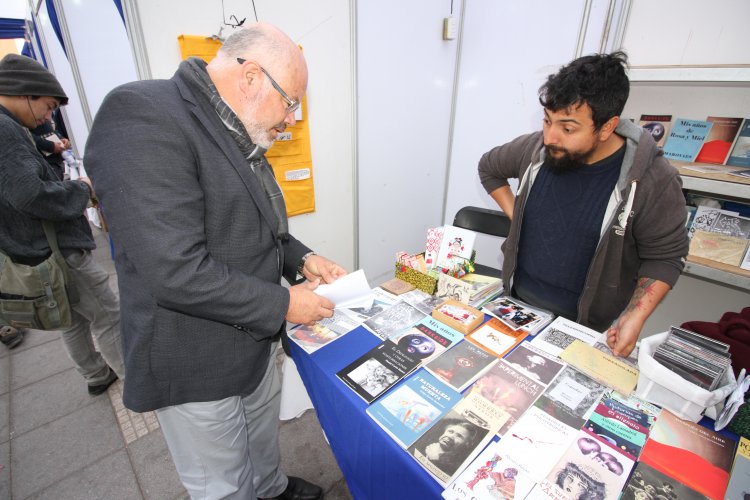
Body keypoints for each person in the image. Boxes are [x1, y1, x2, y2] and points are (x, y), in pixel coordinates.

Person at [84, 23, 346, 500]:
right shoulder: (142, 114)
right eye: (290, 102)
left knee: (262, 447)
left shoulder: (237, 125)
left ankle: (272, 489)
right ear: (250, 77)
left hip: (255, 340)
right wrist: (286, 304)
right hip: (196, 357)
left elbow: (252, 226)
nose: (292, 118)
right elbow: (175, 269)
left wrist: (303, 259)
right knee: (222, 484)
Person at [478, 51, 689, 357]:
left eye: (568, 128)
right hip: (516, 308)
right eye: (547, 121)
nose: (550, 137)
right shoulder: (535, 149)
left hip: (586, 329)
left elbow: (666, 257)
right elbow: (489, 168)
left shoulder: (652, 180)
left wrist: (635, 315)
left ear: (607, 127)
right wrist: (518, 217)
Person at [0, 54, 123, 395]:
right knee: (109, 315)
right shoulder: (5, 130)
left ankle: (96, 374)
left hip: (34, 250)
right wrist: (81, 190)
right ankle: (138, 384)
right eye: (48, 106)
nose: (47, 116)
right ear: (25, 92)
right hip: (56, 249)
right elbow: (30, 193)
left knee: (71, 317)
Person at [411, 418, 483, 476]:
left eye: (459, 436)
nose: (450, 436)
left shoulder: (456, 467)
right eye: (450, 431)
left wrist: (434, 458)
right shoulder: (421, 444)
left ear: (467, 444)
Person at [32, 115, 70, 180]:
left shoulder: (42, 112)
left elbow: (52, 130)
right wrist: (51, 146)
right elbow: (28, 135)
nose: (48, 117)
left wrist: (61, 139)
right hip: (45, 163)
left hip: (57, 161)